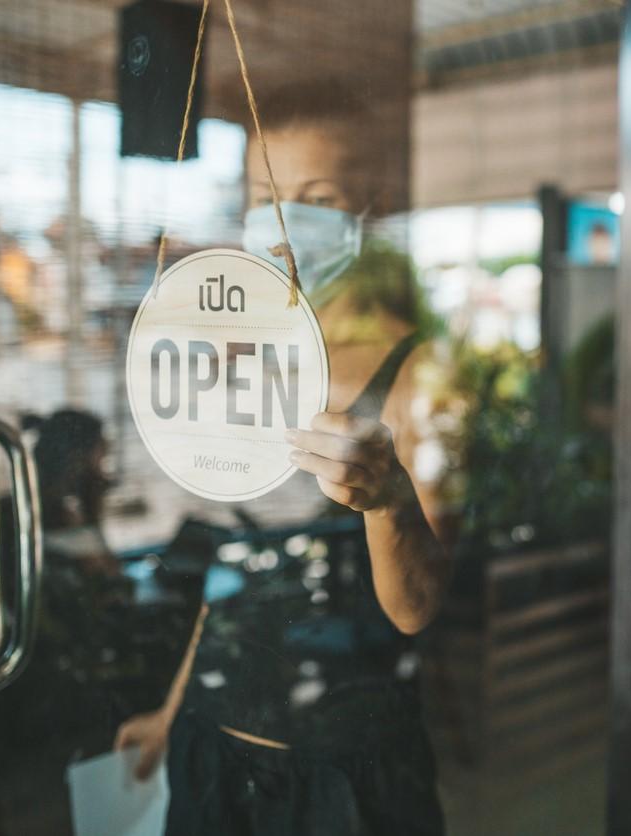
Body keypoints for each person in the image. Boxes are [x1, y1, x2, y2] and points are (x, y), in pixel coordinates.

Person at [115, 80, 455, 836]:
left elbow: (417, 607)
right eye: (263, 193)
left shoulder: (415, 369)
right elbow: (235, 570)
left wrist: (388, 501)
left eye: (317, 194)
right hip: (213, 755)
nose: (282, 216)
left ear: (373, 204)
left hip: (343, 776)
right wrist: (171, 716)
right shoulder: (249, 357)